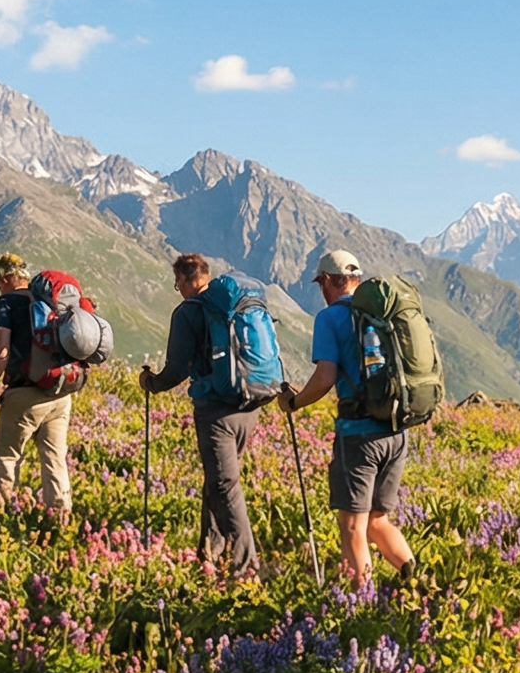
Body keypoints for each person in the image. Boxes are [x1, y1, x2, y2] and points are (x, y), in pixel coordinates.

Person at [279, 249, 414, 587]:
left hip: (359, 435)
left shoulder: (330, 318)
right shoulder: (380, 313)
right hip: (397, 430)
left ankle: (360, 604)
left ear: (327, 281)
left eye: (321, 284)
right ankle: (421, 584)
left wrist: (294, 402)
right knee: (378, 521)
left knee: (353, 525)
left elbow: (325, 378)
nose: (321, 292)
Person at [140, 252, 264, 578]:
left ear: (189, 278)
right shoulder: (233, 306)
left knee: (224, 485)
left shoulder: (188, 312)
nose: (176, 288)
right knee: (216, 479)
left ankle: (245, 567)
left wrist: (151, 382)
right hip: (249, 406)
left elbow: (176, 370)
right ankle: (210, 553)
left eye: (177, 282)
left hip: (216, 412)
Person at [0, 253, 72, 517]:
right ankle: (60, 518)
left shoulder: (6, 302)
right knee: (55, 458)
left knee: (7, 456)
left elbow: (2, 351)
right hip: (59, 392)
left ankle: (3, 514)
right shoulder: (47, 300)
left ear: (7, 278)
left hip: (24, 393)